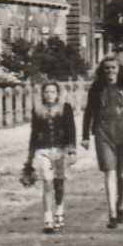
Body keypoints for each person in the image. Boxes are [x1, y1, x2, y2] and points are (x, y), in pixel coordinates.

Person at [81, 56, 123, 229]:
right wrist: (85, 136)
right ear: (102, 71)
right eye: (107, 68)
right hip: (103, 133)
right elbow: (89, 112)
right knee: (109, 172)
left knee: (122, 174)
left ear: (118, 70)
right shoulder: (97, 87)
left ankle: (121, 205)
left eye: (113, 68)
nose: (110, 71)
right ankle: (112, 214)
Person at [25, 82, 78, 233]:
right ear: (42, 94)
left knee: (59, 184)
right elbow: (34, 134)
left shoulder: (65, 109)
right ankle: (47, 218)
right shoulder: (37, 110)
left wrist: (72, 149)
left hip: (60, 150)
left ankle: (59, 212)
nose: (49, 95)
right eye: (46, 92)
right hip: (43, 150)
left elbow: (71, 129)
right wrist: (30, 157)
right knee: (47, 182)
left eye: (52, 92)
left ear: (57, 94)